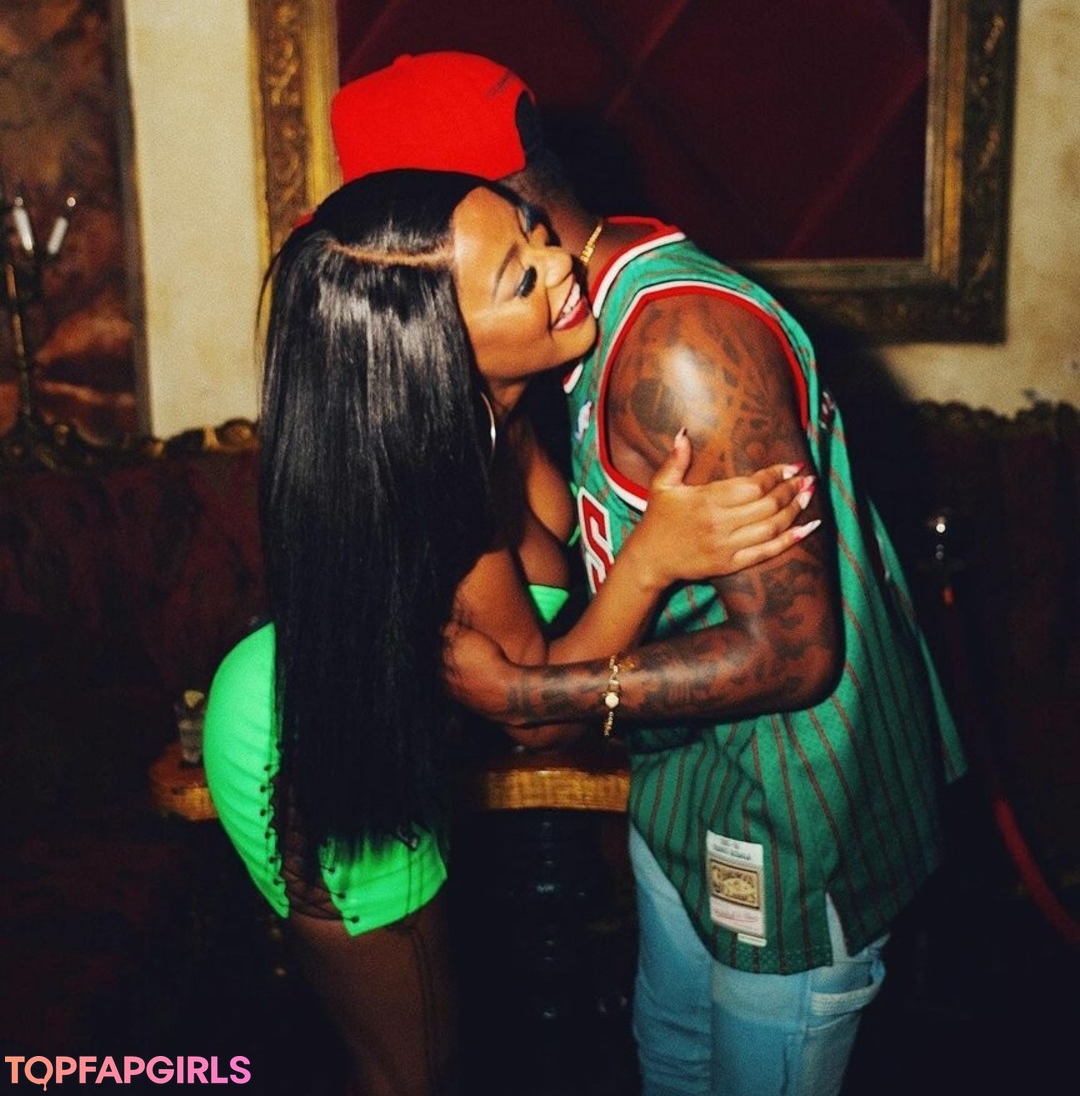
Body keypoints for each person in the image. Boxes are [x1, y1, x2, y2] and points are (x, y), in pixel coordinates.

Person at [328, 51, 966, 1096]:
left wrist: (533, 694)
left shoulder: (676, 342)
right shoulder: (558, 332)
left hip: (791, 806)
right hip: (681, 785)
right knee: (668, 1065)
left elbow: (795, 655)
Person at [202, 168, 813, 1096]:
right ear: (436, 347)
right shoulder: (435, 477)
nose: (561, 262)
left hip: (373, 719)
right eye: (521, 278)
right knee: (412, 1072)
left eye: (534, 233)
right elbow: (542, 716)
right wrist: (655, 557)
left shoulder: (499, 411)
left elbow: (544, 609)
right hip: (307, 739)